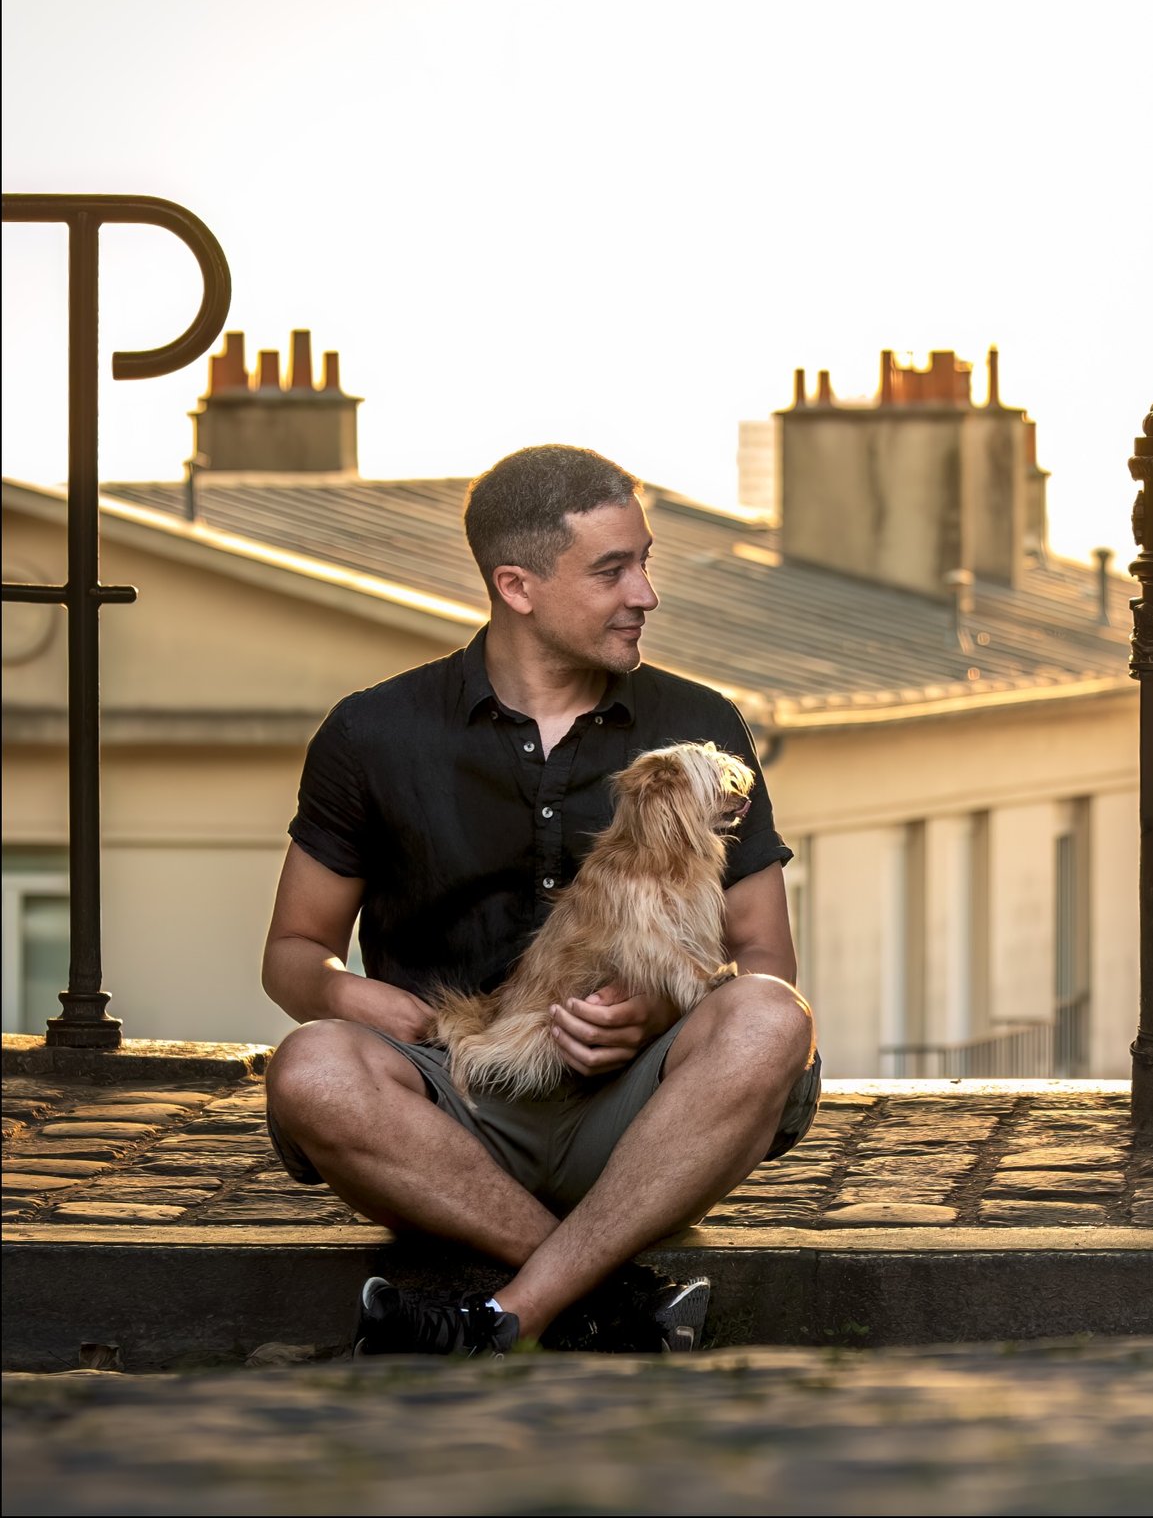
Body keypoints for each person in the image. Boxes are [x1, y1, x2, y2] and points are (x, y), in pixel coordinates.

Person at [260, 445, 820, 1355]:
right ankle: (605, 1301)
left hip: (643, 1113)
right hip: (448, 1114)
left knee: (770, 1018)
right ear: (516, 586)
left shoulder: (701, 729)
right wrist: (342, 995)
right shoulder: (372, 732)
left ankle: (516, 1308)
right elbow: (293, 950)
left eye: (645, 562)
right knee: (310, 1068)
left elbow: (765, 958)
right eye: (613, 570)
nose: (645, 593)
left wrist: (656, 1008)